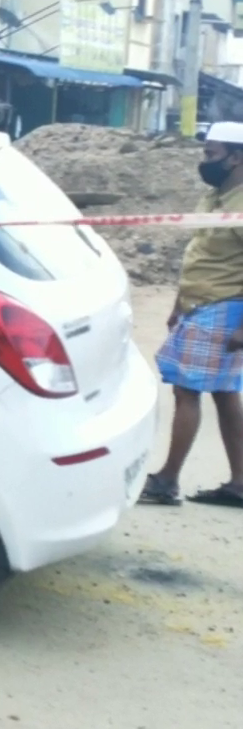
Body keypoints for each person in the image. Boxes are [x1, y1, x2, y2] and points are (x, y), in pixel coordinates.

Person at [141, 123, 243, 507]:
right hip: (200, 303)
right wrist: (177, 304)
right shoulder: (216, 198)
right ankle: (239, 484)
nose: (205, 162)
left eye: (211, 154)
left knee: (186, 391)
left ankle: (167, 480)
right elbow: (199, 253)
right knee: (225, 393)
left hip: (223, 307)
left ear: (236, 157)